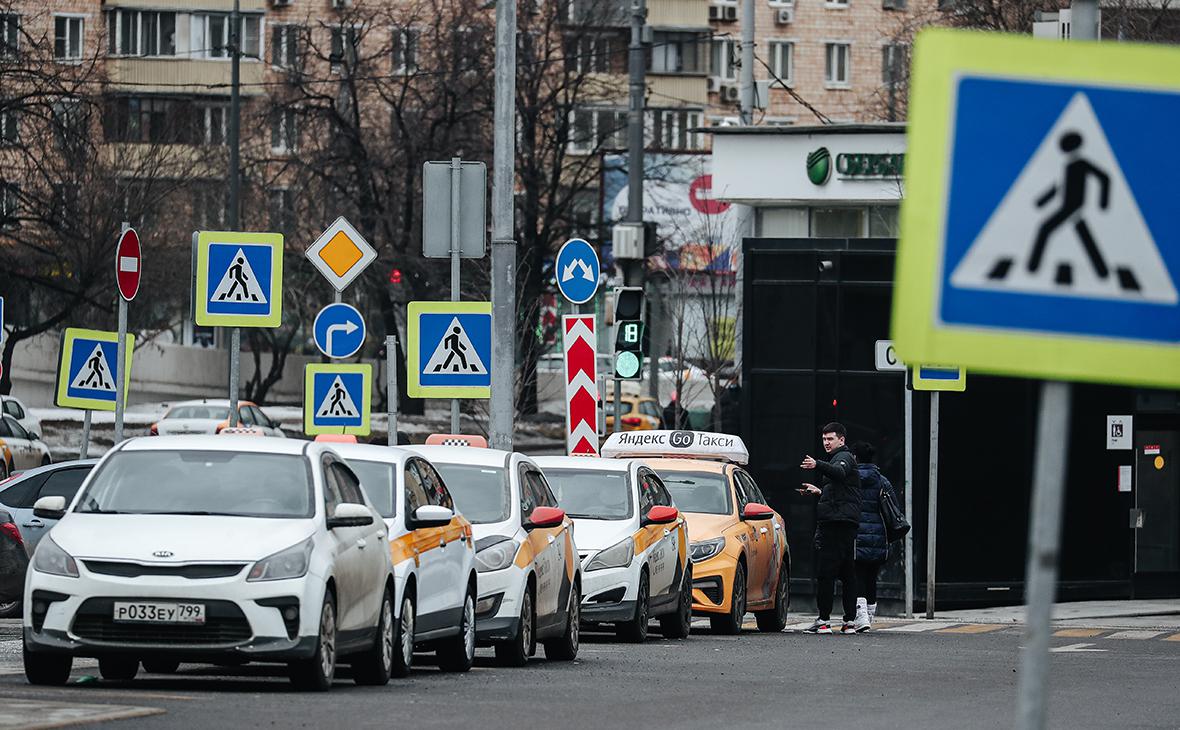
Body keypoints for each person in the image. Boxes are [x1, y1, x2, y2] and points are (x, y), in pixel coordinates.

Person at [798, 422, 862, 635]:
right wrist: (819, 492)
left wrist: (817, 464)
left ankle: (824, 621)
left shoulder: (842, 457)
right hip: (843, 522)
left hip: (836, 525)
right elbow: (841, 490)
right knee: (847, 574)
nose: (826, 442)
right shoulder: (840, 458)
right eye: (824, 439)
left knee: (826, 574)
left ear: (841, 440)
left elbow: (839, 473)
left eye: (830, 439)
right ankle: (849, 622)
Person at [850, 441, 898, 632]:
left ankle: (861, 617)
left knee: (858, 575)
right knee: (871, 576)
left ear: (855, 457)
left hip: (857, 535)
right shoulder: (882, 480)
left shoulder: (851, 479)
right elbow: (894, 507)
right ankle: (870, 614)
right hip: (879, 536)